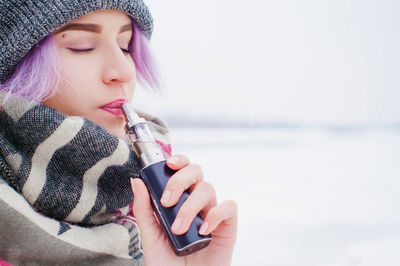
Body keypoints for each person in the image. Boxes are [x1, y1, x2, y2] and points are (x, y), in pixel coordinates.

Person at [0, 1, 237, 265]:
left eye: (125, 46)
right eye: (82, 46)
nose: (124, 72)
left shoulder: (151, 214)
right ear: (15, 67)